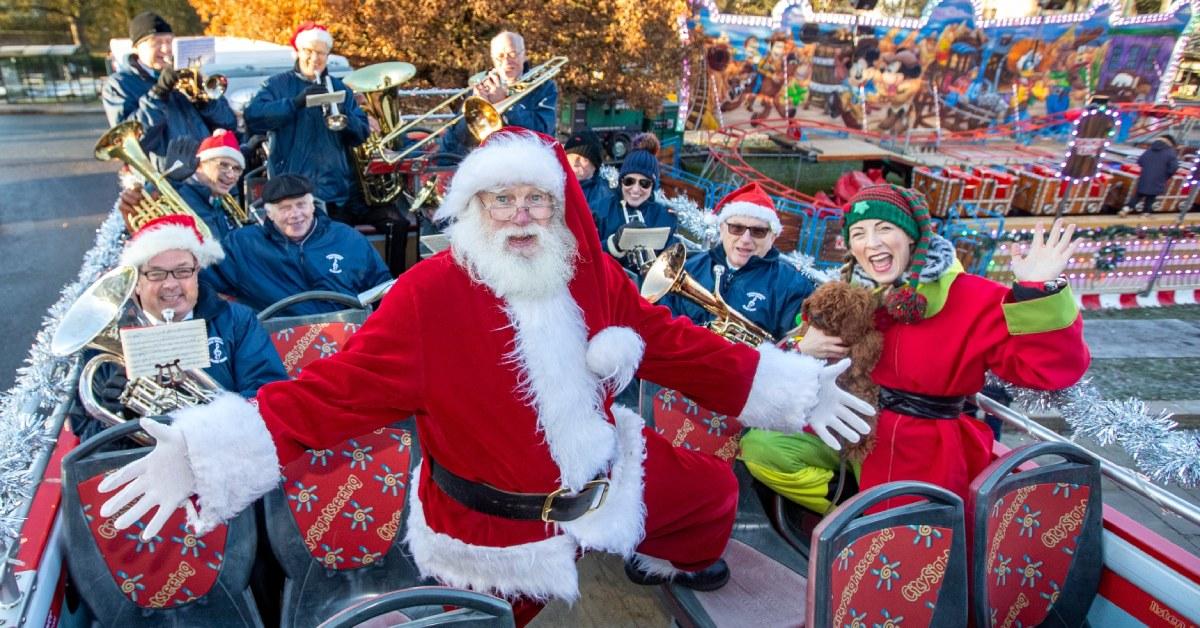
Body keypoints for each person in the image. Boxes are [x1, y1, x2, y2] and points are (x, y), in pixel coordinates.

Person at [96, 128, 873, 627]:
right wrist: (203, 451)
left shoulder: (589, 274)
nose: (522, 213)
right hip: (498, 528)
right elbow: (328, 396)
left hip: (607, 471)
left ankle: (659, 554)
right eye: (502, 197)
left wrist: (793, 386)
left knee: (709, 495)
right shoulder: (429, 298)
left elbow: (674, 344)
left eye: (537, 197)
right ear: (474, 207)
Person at [741, 184, 1090, 512]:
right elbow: (800, 353)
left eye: (884, 229)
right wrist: (806, 347)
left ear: (910, 235)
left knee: (906, 532)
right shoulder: (856, 296)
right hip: (853, 424)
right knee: (762, 448)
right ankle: (848, 510)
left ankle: (864, 519)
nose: (872, 243)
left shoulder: (973, 296)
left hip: (927, 448)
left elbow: (1045, 373)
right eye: (859, 234)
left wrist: (1038, 291)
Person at [68, 214, 287, 442]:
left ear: (197, 273)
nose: (171, 284)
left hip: (230, 458)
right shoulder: (105, 349)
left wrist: (218, 417)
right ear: (137, 284)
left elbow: (270, 397)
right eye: (156, 273)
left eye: (183, 271)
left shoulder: (237, 321)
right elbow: (89, 444)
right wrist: (114, 416)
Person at [202, 174, 392, 317]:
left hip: (344, 334)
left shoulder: (347, 238)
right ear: (269, 214)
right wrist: (188, 186)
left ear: (312, 206)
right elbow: (196, 275)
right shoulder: (243, 244)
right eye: (285, 208)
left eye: (301, 205)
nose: (295, 214)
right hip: (278, 342)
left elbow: (382, 288)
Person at [243, 22, 371, 222]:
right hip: (291, 190)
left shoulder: (339, 88)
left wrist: (346, 117)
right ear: (297, 52)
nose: (315, 58)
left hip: (334, 190)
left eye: (321, 53)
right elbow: (254, 117)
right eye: (309, 51)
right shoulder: (277, 84)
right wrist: (295, 103)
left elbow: (361, 134)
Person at [658, 183, 818, 342]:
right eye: (736, 228)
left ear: (773, 237)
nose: (746, 239)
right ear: (721, 229)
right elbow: (662, 326)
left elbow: (796, 347)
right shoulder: (688, 267)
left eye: (758, 231)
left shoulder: (794, 286)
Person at [101, 12, 237, 170]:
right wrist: (160, 92)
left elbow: (229, 123)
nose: (165, 49)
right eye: (156, 42)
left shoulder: (186, 74)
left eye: (169, 41)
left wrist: (204, 101)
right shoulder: (119, 84)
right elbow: (132, 143)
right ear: (137, 47)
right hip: (166, 177)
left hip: (206, 171)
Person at [439, 31, 558, 157]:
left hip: (526, 162)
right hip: (485, 160)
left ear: (524, 55)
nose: (507, 61)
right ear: (493, 59)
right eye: (500, 56)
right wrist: (476, 109)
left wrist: (504, 104)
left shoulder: (544, 86)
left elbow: (543, 133)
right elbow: (455, 139)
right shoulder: (483, 84)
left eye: (512, 54)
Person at [595, 134, 678, 275]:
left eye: (644, 183)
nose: (635, 189)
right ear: (621, 181)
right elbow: (586, 255)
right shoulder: (599, 210)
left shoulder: (665, 217)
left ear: (653, 187)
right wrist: (613, 244)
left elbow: (670, 267)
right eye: (629, 181)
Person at [173, 129, 247, 240]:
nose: (231, 175)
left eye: (237, 169)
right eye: (223, 165)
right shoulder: (179, 195)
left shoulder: (220, 198)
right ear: (199, 165)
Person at [1120, 134, 1180, 217]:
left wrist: (1148, 169)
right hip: (1159, 178)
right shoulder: (1170, 152)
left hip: (1145, 176)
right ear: (1170, 143)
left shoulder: (1150, 149)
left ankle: (1126, 209)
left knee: (1139, 194)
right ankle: (1145, 213)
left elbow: (1140, 161)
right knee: (1151, 196)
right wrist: (1167, 175)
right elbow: (1174, 167)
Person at [564, 128, 614, 217]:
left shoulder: (603, 197)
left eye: (583, 159)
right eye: (571, 156)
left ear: (595, 166)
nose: (575, 162)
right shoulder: (555, 185)